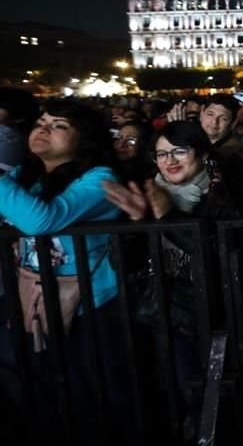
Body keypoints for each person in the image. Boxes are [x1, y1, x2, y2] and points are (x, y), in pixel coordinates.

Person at [103, 120, 243, 440]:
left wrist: (168, 217)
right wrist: (135, 225)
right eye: (161, 154)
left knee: (207, 401)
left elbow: (217, 254)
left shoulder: (222, 194)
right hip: (157, 315)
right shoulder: (149, 194)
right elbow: (121, 262)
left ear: (202, 154)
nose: (170, 161)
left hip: (206, 318)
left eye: (180, 151)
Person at [0, 100, 128, 440]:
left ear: (84, 139)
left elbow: (42, 220)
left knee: (90, 393)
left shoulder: (100, 178)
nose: (44, 128)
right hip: (34, 298)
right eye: (41, 121)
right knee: (36, 390)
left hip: (90, 304)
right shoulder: (26, 174)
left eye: (59, 125)